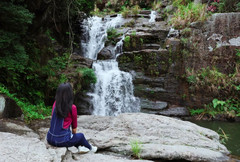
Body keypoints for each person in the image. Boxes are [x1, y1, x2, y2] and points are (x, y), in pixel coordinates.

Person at [47, 83, 97, 153]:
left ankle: (80, 147)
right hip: (62, 141)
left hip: (50, 138)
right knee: (80, 136)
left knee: (73, 137)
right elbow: (74, 129)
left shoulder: (55, 104)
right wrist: (73, 137)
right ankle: (91, 148)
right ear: (70, 94)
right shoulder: (72, 108)